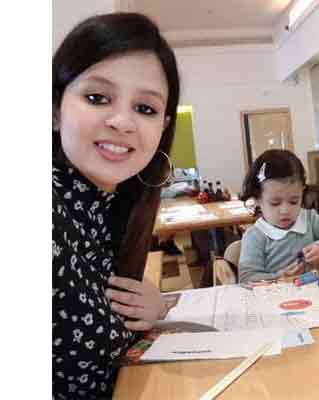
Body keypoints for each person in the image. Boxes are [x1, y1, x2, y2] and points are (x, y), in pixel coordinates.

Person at [52, 13, 180, 398]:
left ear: (163, 126)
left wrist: (156, 306)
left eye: (145, 108)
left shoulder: (108, 208)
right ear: (55, 110)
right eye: (97, 98)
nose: (123, 122)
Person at [238, 150, 319, 283]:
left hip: (314, 291)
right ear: (257, 200)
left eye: (294, 201)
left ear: (302, 192)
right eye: (275, 203)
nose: (285, 211)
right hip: (277, 295)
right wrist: (280, 276)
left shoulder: (309, 219)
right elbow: (247, 278)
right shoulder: (255, 236)